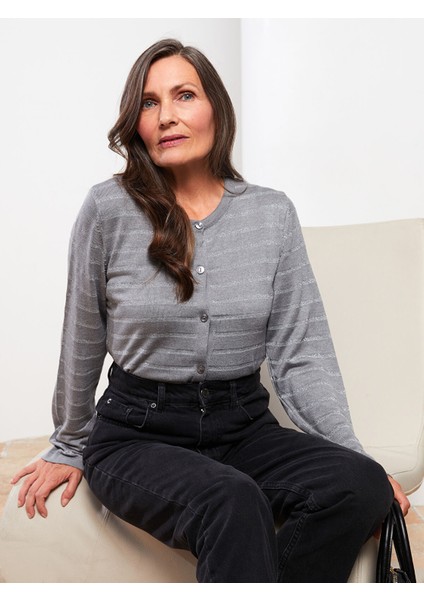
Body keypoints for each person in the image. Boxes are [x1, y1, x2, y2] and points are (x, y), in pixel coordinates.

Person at [11, 38, 409, 583]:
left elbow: (302, 354)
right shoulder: (108, 209)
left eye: (184, 95)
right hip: (137, 432)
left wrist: (353, 456)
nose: (166, 116)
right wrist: (68, 442)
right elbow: (82, 335)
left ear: (216, 108)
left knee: (358, 486)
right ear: (135, 121)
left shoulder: (271, 214)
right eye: (148, 102)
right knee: (231, 500)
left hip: (244, 426)